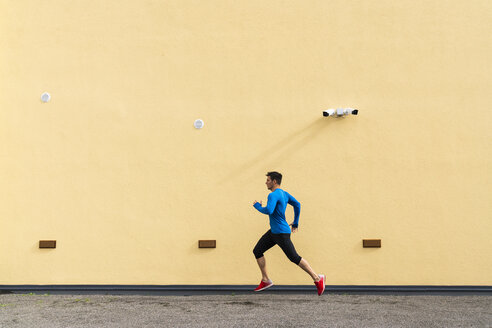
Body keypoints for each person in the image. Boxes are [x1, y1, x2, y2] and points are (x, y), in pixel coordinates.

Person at [252, 171, 325, 296]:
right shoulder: (284, 194)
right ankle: (265, 280)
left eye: (268, 180)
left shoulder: (273, 195)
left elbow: (269, 210)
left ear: (274, 181)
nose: (266, 182)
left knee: (294, 257)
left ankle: (318, 278)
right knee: (257, 250)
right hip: (274, 232)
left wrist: (258, 206)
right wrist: (295, 222)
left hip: (280, 233)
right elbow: (297, 204)